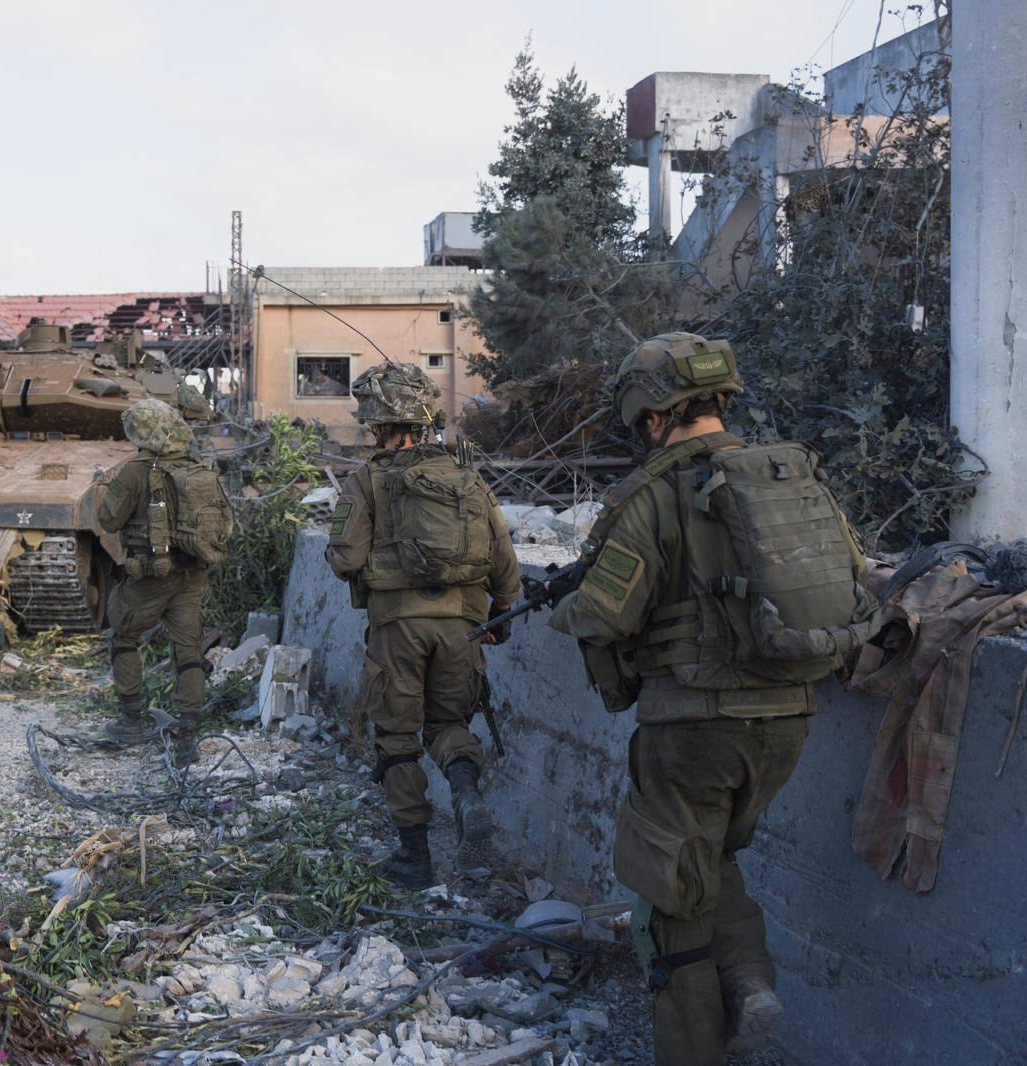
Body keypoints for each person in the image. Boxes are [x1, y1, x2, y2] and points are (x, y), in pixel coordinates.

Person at [548, 332, 875, 1065]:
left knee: (672, 910)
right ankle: (753, 984)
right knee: (713, 863)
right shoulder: (792, 479)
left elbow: (604, 615)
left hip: (692, 728)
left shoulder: (653, 494)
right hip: (789, 719)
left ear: (652, 414)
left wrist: (561, 612)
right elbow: (856, 580)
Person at [324, 362, 521, 889]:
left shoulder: (368, 479)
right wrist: (501, 614)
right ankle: (466, 797)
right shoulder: (468, 478)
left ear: (379, 424)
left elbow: (344, 558)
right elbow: (504, 556)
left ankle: (415, 858)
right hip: (463, 627)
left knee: (398, 737)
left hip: (397, 630)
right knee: (449, 726)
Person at [96, 398, 228, 766]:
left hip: (150, 577)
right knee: (188, 651)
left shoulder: (134, 471)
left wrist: (102, 489)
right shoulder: (195, 466)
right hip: (192, 575)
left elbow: (108, 520)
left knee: (123, 636)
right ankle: (188, 735)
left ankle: (132, 719)